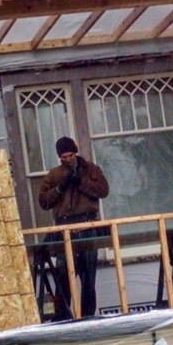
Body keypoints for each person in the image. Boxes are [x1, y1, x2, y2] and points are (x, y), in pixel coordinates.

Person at [38, 136, 110, 318]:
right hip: (65, 229)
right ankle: (63, 317)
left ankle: (88, 317)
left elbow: (103, 190)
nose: (67, 160)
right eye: (63, 157)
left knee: (88, 280)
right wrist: (60, 188)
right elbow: (44, 201)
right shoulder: (54, 175)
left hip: (87, 227)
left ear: (75, 152)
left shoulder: (91, 170)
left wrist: (82, 183)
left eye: (69, 155)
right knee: (64, 279)